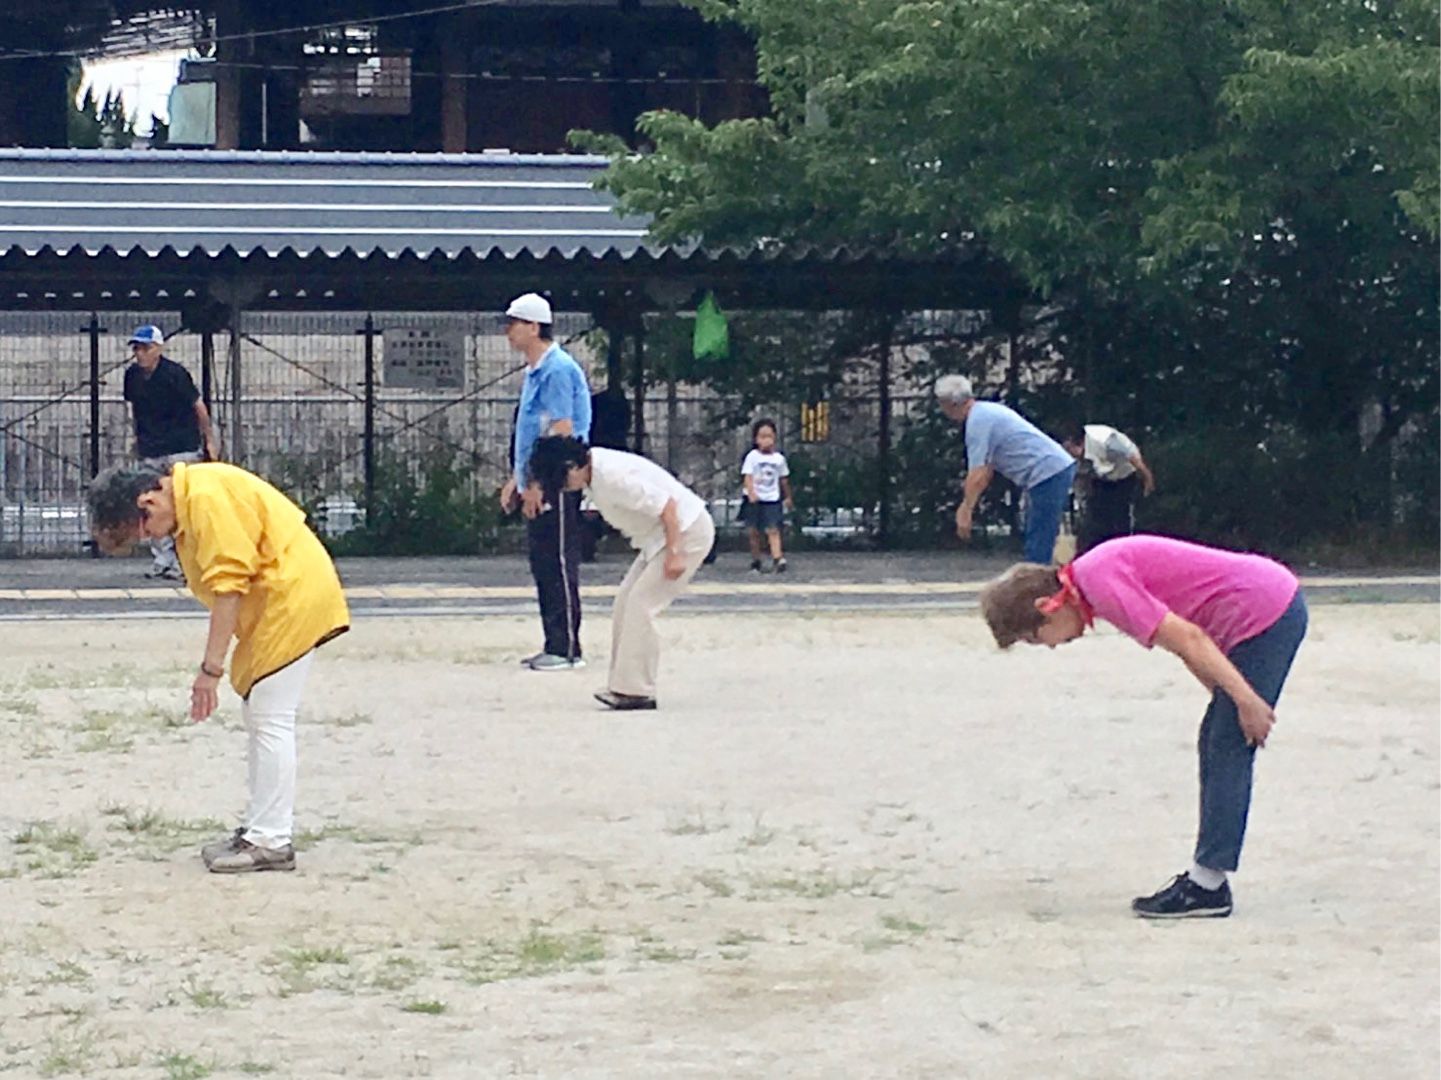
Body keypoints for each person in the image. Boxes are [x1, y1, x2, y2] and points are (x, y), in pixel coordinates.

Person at [978, 535, 1307, 919]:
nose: (1050, 646)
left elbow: (1190, 638)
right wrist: (1225, 699)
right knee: (1221, 735)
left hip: (1265, 610)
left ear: (1046, 607)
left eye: (1037, 638)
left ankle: (1208, 886)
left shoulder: (1101, 585)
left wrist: (1246, 702)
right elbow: (1183, 642)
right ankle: (1208, 880)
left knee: (1224, 744)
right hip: (1262, 601)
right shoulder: (1093, 578)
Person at [87, 458, 350, 874]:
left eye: (141, 529)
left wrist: (210, 672)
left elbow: (229, 589)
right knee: (264, 718)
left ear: (148, 501)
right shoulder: (197, 499)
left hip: (290, 601)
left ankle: (271, 839)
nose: (148, 537)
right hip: (280, 603)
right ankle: (262, 830)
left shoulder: (207, 499)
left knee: (271, 720)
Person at [529, 436, 714, 711]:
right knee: (625, 603)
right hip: (660, 539)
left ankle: (638, 691)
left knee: (641, 605)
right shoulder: (595, 471)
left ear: (572, 467)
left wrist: (676, 553)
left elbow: (668, 507)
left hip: (686, 533)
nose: (563, 488)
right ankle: (623, 685)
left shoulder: (612, 477)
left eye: (561, 480)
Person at [499, 293, 593, 671]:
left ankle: (567, 646)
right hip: (539, 475)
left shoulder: (556, 370)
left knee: (557, 558)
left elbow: (560, 430)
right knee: (542, 561)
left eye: (514, 323)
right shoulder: (535, 371)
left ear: (533, 326)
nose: (508, 331)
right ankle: (553, 641)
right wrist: (517, 478)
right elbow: (532, 432)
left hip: (556, 478)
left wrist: (538, 482)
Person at [936, 374, 1076, 565]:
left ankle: (1035, 587)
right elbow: (986, 471)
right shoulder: (985, 412)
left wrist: (965, 509)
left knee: (1039, 538)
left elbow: (977, 472)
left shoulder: (978, 422)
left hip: (1047, 472)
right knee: (1039, 533)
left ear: (948, 404)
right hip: (1051, 468)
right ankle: (1037, 581)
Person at [121, 324, 219, 579]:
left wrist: (209, 440)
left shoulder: (175, 374)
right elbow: (134, 410)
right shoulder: (132, 376)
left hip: (181, 448)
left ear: (158, 348)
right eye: (137, 348)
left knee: (183, 505)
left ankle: (186, 561)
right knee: (152, 504)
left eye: (145, 348)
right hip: (151, 449)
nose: (140, 353)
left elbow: (198, 406)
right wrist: (134, 441)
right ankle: (163, 560)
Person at [1062, 423, 1157, 553]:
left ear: (1077, 443)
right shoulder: (1081, 456)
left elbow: (1131, 456)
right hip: (1102, 477)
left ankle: (1122, 550)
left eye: (1069, 448)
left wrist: (1147, 477)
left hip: (1124, 474)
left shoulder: (1105, 441)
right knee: (1096, 516)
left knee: (1120, 515)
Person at [742, 418, 794, 573]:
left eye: (769, 436)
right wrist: (751, 492)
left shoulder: (779, 459)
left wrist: (788, 497)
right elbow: (747, 476)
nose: (766, 440)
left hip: (772, 498)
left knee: (773, 529)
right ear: (756, 439)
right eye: (762, 436)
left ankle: (778, 558)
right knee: (754, 531)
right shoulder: (752, 456)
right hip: (755, 498)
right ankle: (756, 559)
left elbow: (783, 479)